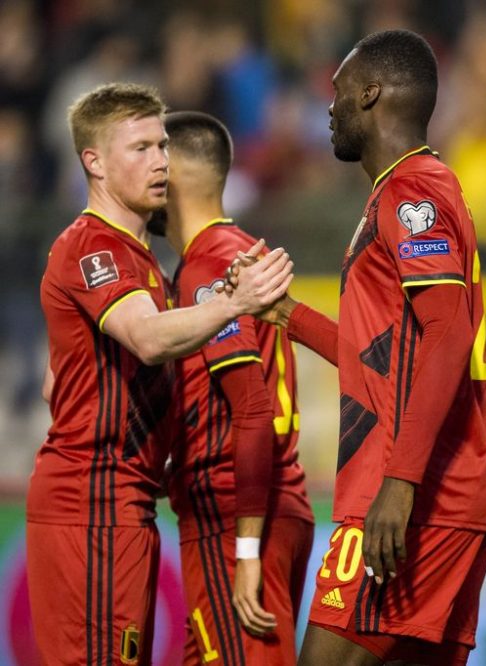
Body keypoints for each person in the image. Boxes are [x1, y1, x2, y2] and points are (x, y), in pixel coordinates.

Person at [26, 82, 293, 665]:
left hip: (120, 502)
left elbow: (57, 382)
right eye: (140, 148)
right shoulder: (94, 248)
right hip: (93, 507)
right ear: (93, 162)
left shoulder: (139, 255)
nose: (160, 163)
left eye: (162, 146)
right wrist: (232, 303)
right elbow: (147, 341)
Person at [293, 29, 486, 666]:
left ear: (371, 92)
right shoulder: (406, 190)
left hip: (416, 491)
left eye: (336, 93)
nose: (328, 109)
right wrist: (285, 314)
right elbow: (381, 359)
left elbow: (447, 332)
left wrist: (401, 483)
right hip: (434, 487)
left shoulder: (412, 192)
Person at [156, 110, 314, 665]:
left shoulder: (212, 269)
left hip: (236, 517)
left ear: (167, 174)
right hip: (264, 507)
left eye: (151, 155)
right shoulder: (237, 253)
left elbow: (251, 407)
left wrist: (245, 549)